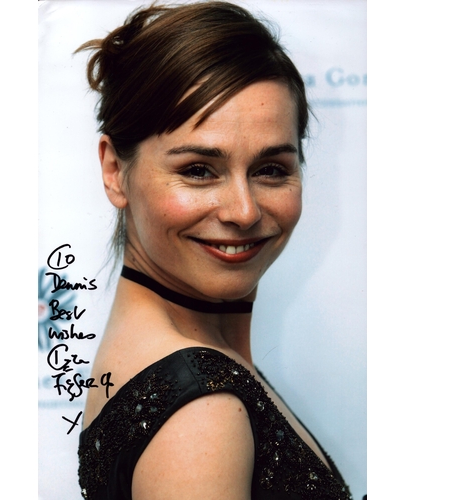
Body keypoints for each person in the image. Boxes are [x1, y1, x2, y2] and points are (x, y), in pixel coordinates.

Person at [76, 2, 354, 499]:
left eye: (271, 169)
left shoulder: (178, 365)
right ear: (115, 171)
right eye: (198, 171)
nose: (244, 212)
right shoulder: (201, 412)